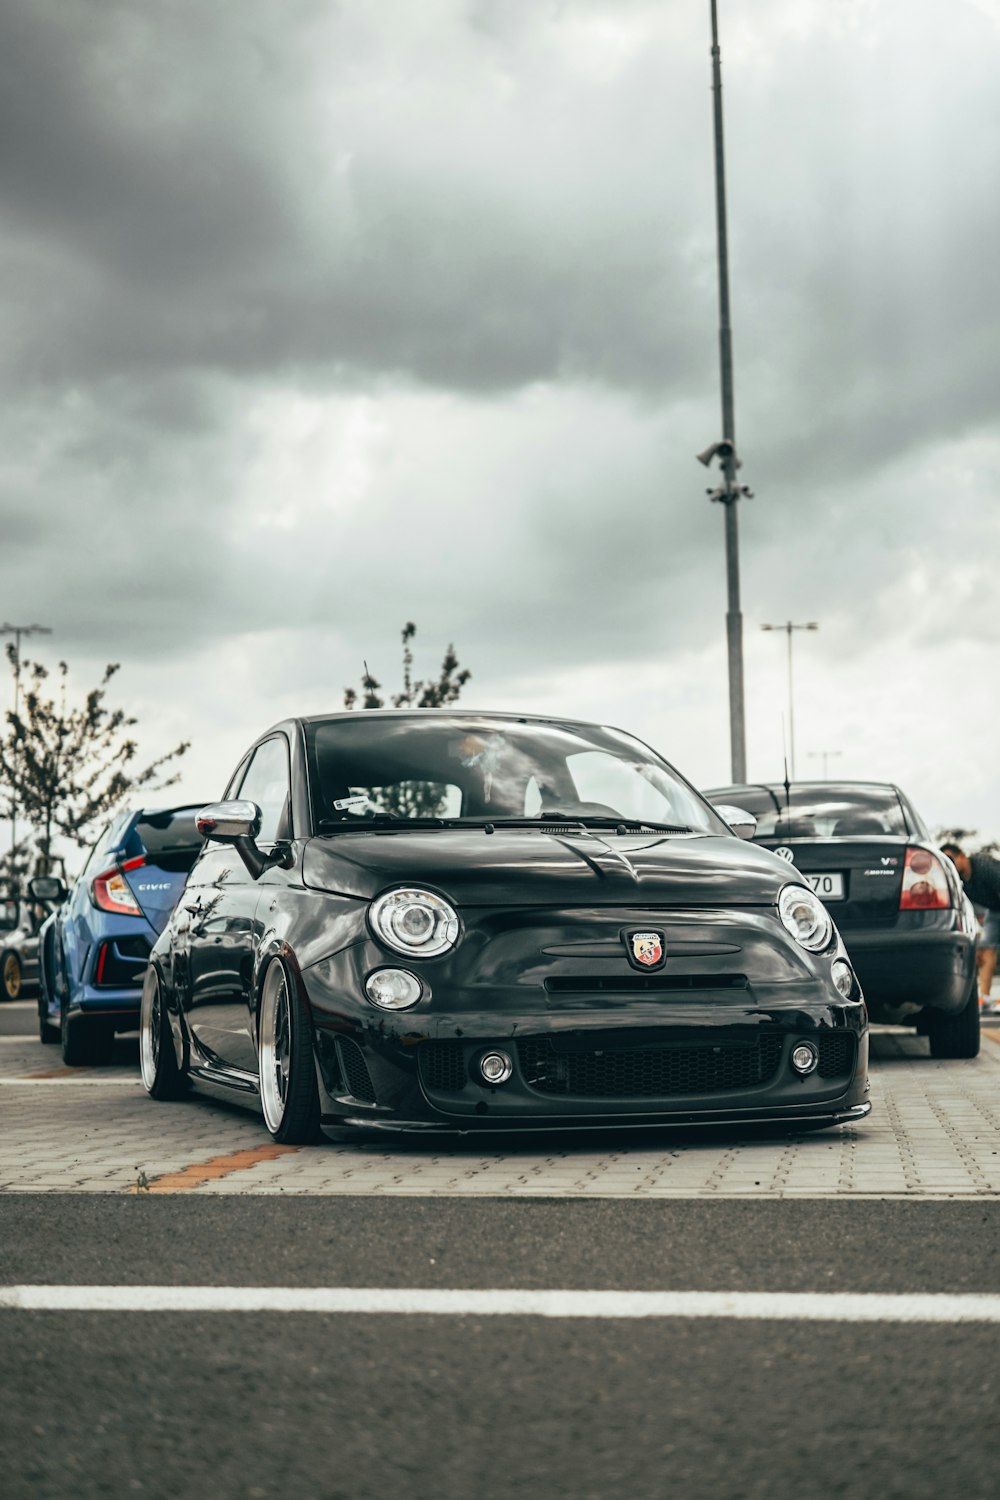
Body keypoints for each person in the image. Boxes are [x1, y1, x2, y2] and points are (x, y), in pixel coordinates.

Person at [941, 843, 1000, 1010]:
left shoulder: (983, 865)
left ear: (961, 856)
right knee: (985, 950)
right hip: (994, 911)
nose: (950, 864)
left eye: (951, 859)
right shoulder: (959, 881)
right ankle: (985, 999)